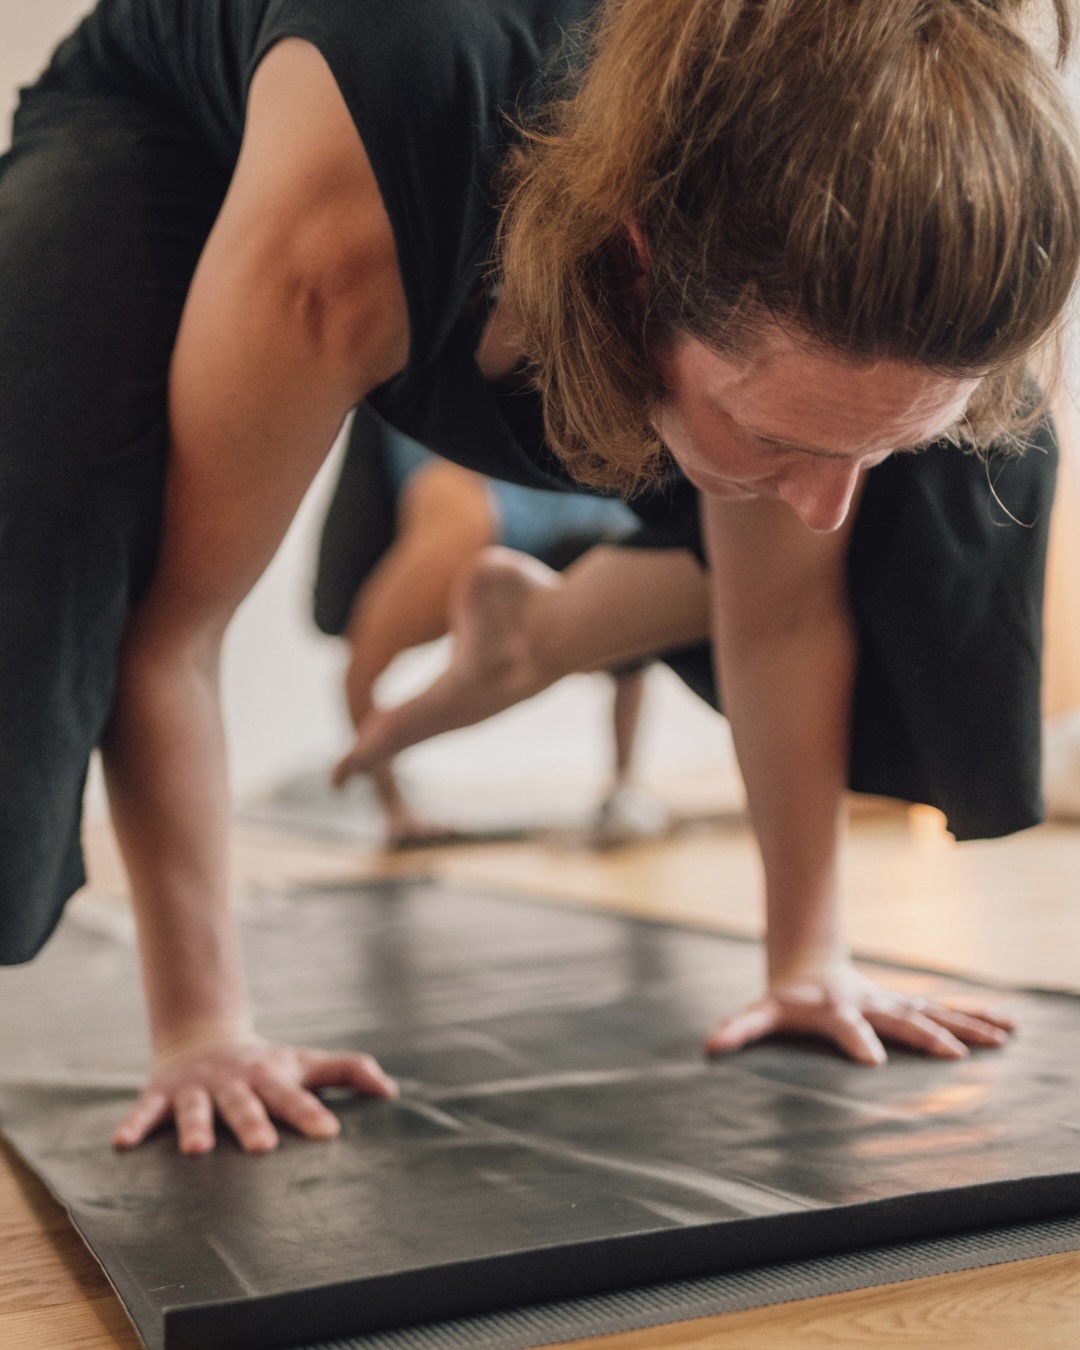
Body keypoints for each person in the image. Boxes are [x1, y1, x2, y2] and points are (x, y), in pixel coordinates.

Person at [1, 0, 1077, 1156]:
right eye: (790, 444)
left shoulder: (790, 206)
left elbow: (783, 612)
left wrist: (810, 960)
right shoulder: (353, 222)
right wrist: (203, 1030)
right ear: (640, 269)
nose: (832, 506)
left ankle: (555, 625)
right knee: (47, 554)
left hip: (575, 190)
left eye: (873, 449)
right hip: (188, 108)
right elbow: (175, 633)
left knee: (961, 484)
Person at [314, 401, 669, 846]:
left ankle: (622, 780)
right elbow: (359, 670)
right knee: (333, 616)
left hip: (541, 468)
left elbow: (632, 664)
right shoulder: (459, 529)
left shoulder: (621, 526)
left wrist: (624, 785)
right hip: (441, 442)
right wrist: (397, 809)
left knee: (628, 635)